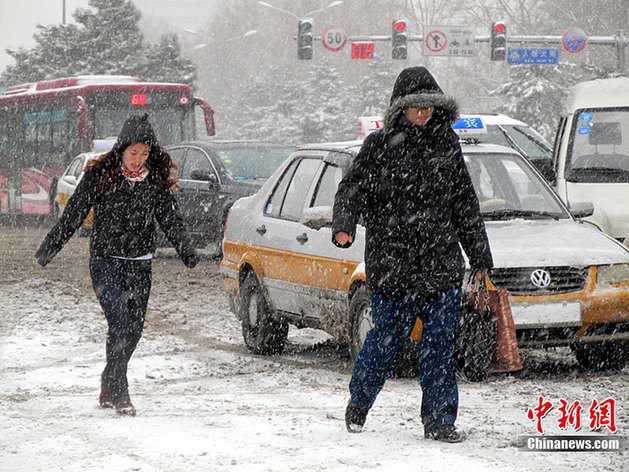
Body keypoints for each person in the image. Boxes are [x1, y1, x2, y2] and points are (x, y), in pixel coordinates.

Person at [332, 67, 493, 442]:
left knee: (438, 347)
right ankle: (358, 404)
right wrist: (344, 224)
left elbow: (464, 204)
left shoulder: (447, 145)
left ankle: (440, 421)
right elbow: (351, 190)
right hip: (394, 267)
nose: (424, 113)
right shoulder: (378, 146)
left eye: (430, 107)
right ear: (400, 109)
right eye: (417, 107)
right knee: (386, 343)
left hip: (440, 267)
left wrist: (480, 255)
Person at [36, 114, 199, 416]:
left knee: (133, 330)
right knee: (120, 322)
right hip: (105, 262)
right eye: (134, 152)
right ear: (122, 149)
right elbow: (73, 214)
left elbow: (171, 219)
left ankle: (108, 377)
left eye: (145, 153)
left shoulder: (155, 181)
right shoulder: (100, 176)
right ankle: (120, 391)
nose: (139, 160)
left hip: (140, 265)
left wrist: (186, 250)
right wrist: (49, 248)